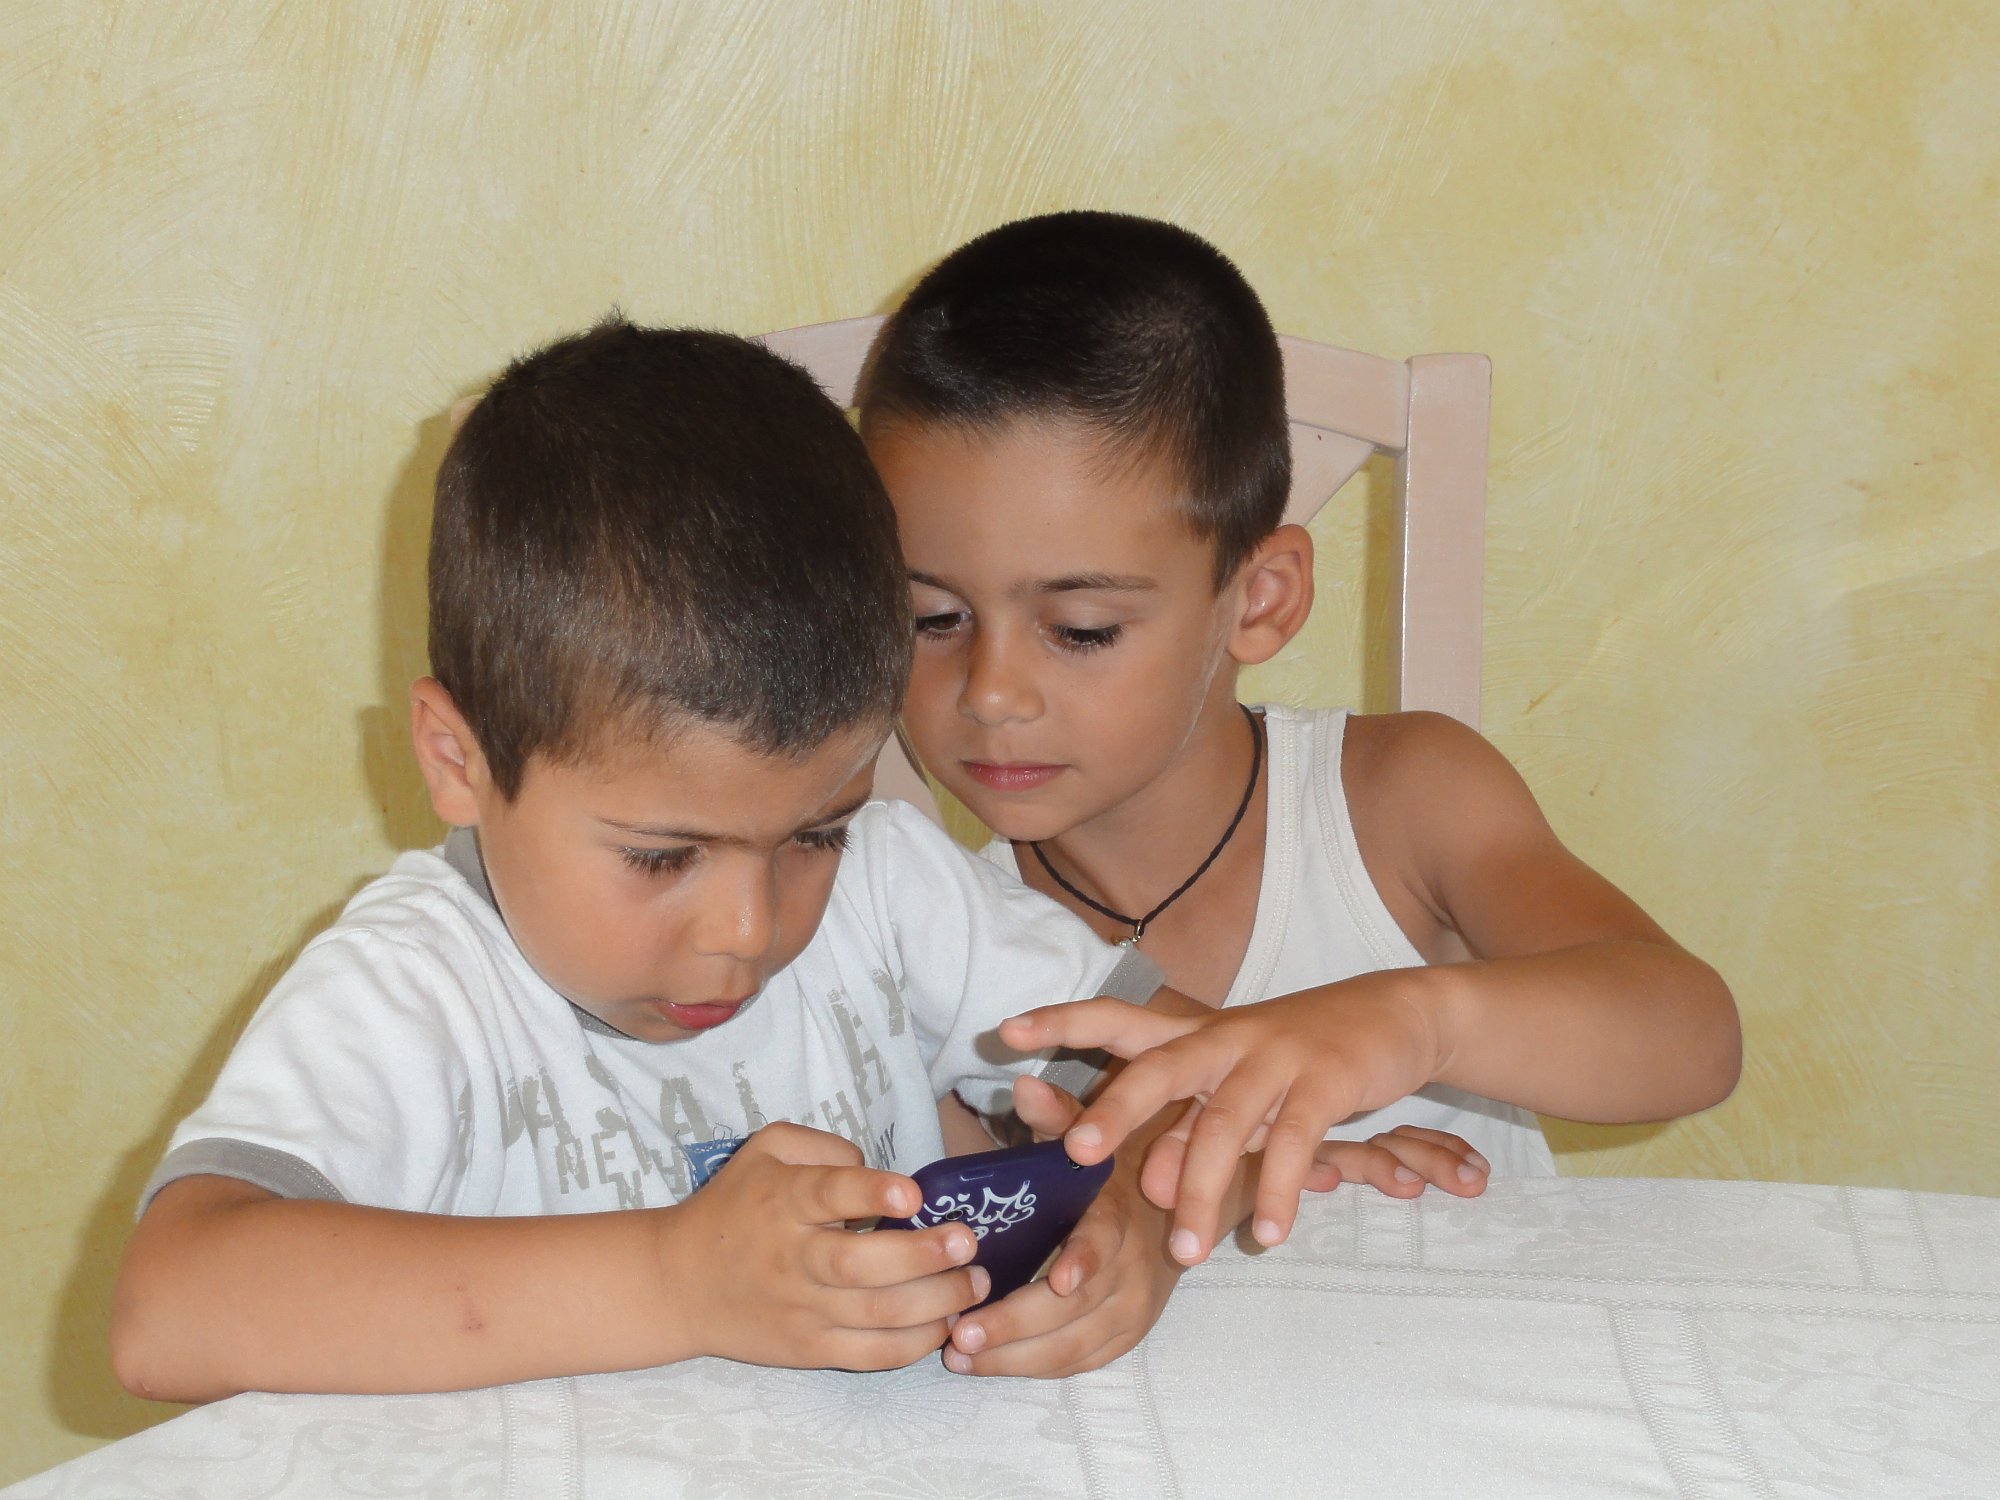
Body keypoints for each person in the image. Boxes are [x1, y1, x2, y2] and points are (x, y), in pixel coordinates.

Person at [106, 318, 1206, 1401]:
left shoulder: (890, 885)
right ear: (457, 760)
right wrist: (677, 1280)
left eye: (814, 835)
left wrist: (1138, 1222)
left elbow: (1194, 1078)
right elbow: (172, 1310)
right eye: (662, 857)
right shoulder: (414, 991)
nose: (748, 931)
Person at [856, 210, 1743, 1371]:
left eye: (1078, 628)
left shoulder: (1399, 800)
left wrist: (1408, 1021)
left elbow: (1689, 1034)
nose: (989, 693)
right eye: (931, 617)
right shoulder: (936, 936)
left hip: (1502, 1384)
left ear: (1259, 600)